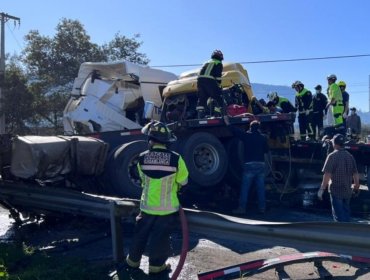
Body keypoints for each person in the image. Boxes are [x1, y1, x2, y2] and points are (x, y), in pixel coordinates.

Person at [126, 121, 189, 274]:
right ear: (167, 142)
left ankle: (132, 262)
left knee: (140, 235)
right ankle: (156, 267)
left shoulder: (142, 158)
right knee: (160, 239)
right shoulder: (176, 158)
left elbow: (143, 180)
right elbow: (183, 181)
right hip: (166, 210)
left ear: (151, 141)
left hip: (146, 207)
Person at [224, 116, 269, 214]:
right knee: (261, 188)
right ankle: (262, 208)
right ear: (259, 128)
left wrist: (227, 123)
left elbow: (235, 131)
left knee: (245, 188)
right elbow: (266, 151)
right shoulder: (263, 138)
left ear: (250, 127)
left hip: (249, 165)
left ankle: (242, 208)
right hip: (261, 165)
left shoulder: (246, 136)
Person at [317, 133, 360, 222]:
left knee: (338, 218)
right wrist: (356, 187)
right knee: (346, 215)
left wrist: (321, 190)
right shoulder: (350, 156)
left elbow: (327, 175)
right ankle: (348, 233)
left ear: (335, 144)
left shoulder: (332, 156)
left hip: (336, 192)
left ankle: (341, 234)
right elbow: (355, 174)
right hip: (347, 191)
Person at [196, 50, 225, 119]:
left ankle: (200, 116)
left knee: (202, 98)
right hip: (209, 80)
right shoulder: (218, 63)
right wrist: (218, 84)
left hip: (199, 80)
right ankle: (217, 114)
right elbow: (218, 76)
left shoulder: (206, 62)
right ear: (221, 57)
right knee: (218, 97)